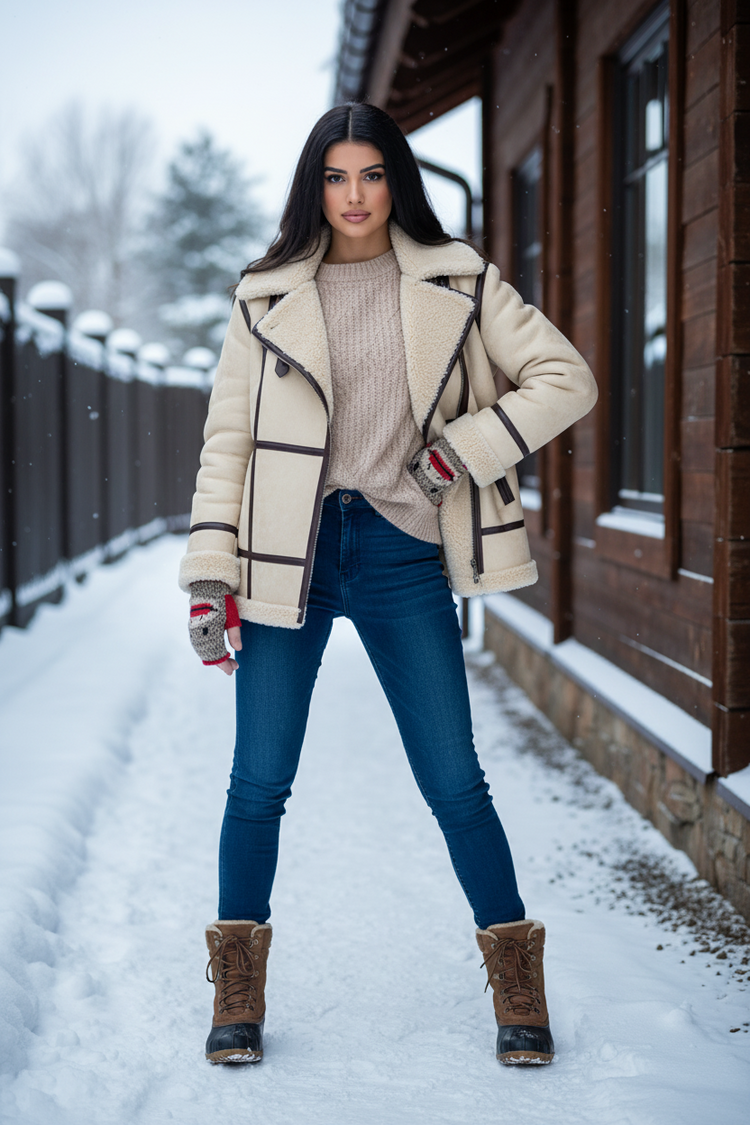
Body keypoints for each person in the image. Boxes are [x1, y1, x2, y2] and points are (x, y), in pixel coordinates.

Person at [179, 101, 597, 1068]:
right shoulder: (265, 294)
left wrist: (461, 452)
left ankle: (518, 988)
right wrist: (209, 574)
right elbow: (227, 445)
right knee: (258, 781)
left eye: (371, 175)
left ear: (395, 180)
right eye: (336, 176)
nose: (355, 196)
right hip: (292, 559)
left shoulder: (458, 279)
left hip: (405, 552)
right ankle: (236, 993)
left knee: (455, 780)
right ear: (313, 185)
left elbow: (563, 377)